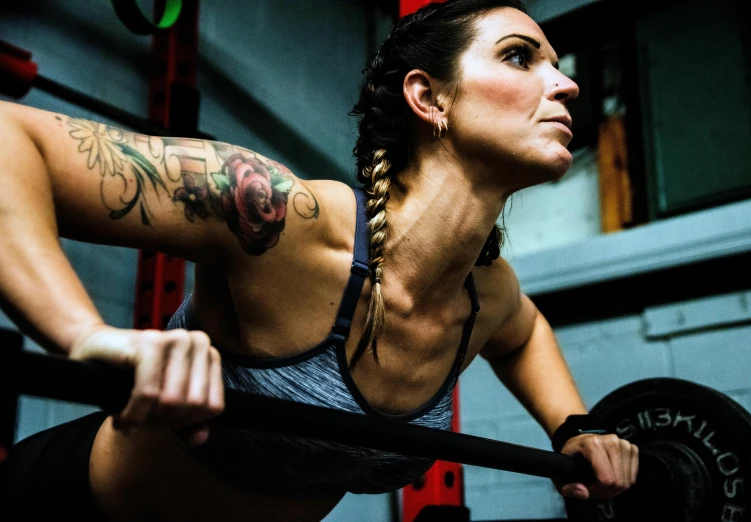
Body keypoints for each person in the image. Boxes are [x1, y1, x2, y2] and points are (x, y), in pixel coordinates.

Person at [0, 0, 639, 520]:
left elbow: (523, 331)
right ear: (429, 97)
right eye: (521, 57)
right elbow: (10, 139)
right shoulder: (283, 218)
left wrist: (574, 428)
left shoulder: (485, 295)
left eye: (556, 65)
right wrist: (86, 337)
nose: (566, 83)